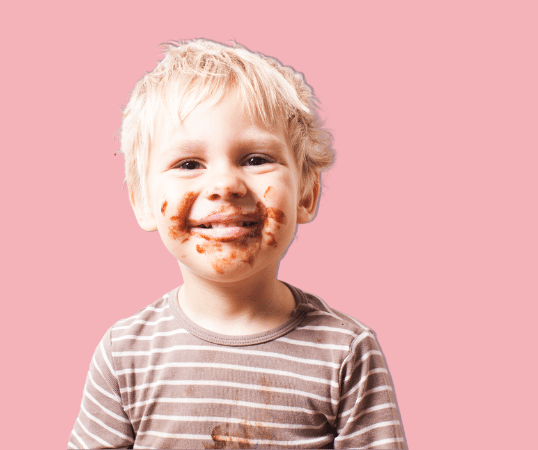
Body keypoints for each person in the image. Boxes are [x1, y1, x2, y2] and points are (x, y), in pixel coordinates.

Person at [69, 39, 406, 449]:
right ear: (142, 202)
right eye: (189, 164)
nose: (225, 185)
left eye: (256, 158)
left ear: (306, 194)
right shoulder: (124, 356)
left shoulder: (346, 353)